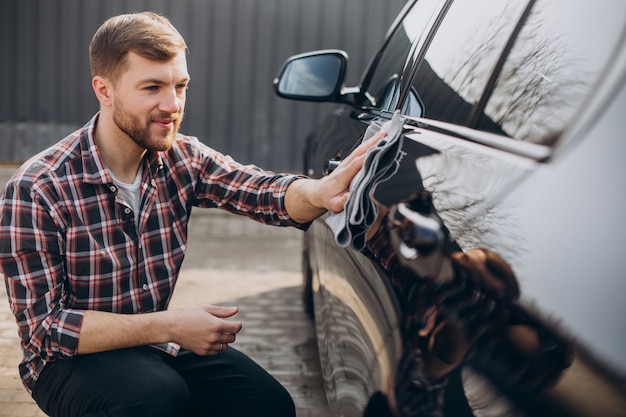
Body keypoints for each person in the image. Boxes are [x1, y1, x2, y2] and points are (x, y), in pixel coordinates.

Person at [0, 12, 387, 417]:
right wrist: (169, 325)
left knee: (268, 405)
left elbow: (261, 191)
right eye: (152, 87)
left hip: (151, 342)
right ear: (105, 90)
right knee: (157, 399)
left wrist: (320, 191)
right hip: (67, 362)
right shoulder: (37, 188)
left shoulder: (181, 157)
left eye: (180, 86)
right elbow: (45, 330)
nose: (172, 105)